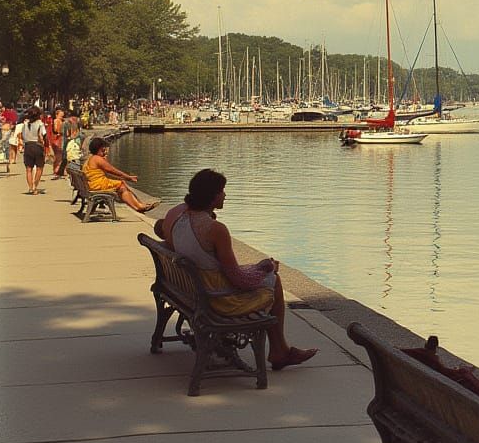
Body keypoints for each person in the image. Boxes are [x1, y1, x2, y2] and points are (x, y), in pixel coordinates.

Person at [154, 169, 318, 371]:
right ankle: (279, 351)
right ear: (213, 196)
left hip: (192, 293)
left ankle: (280, 349)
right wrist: (265, 267)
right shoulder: (215, 229)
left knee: (266, 273)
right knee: (274, 281)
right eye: (222, 191)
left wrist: (258, 268)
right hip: (217, 300)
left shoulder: (181, 218)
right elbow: (239, 280)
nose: (225, 195)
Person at [81, 137, 157, 213]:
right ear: (98, 148)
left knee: (121, 183)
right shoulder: (97, 159)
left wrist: (125, 178)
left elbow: (106, 172)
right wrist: (129, 178)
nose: (105, 151)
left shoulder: (90, 159)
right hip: (96, 185)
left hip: (91, 185)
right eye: (103, 150)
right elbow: (113, 171)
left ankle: (139, 204)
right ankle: (138, 207)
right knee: (121, 186)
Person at [19, 106, 49, 194]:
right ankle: (35, 186)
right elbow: (44, 135)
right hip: (37, 146)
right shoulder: (40, 123)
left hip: (28, 146)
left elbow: (23, 136)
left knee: (29, 169)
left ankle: (30, 187)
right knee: (40, 167)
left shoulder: (25, 123)